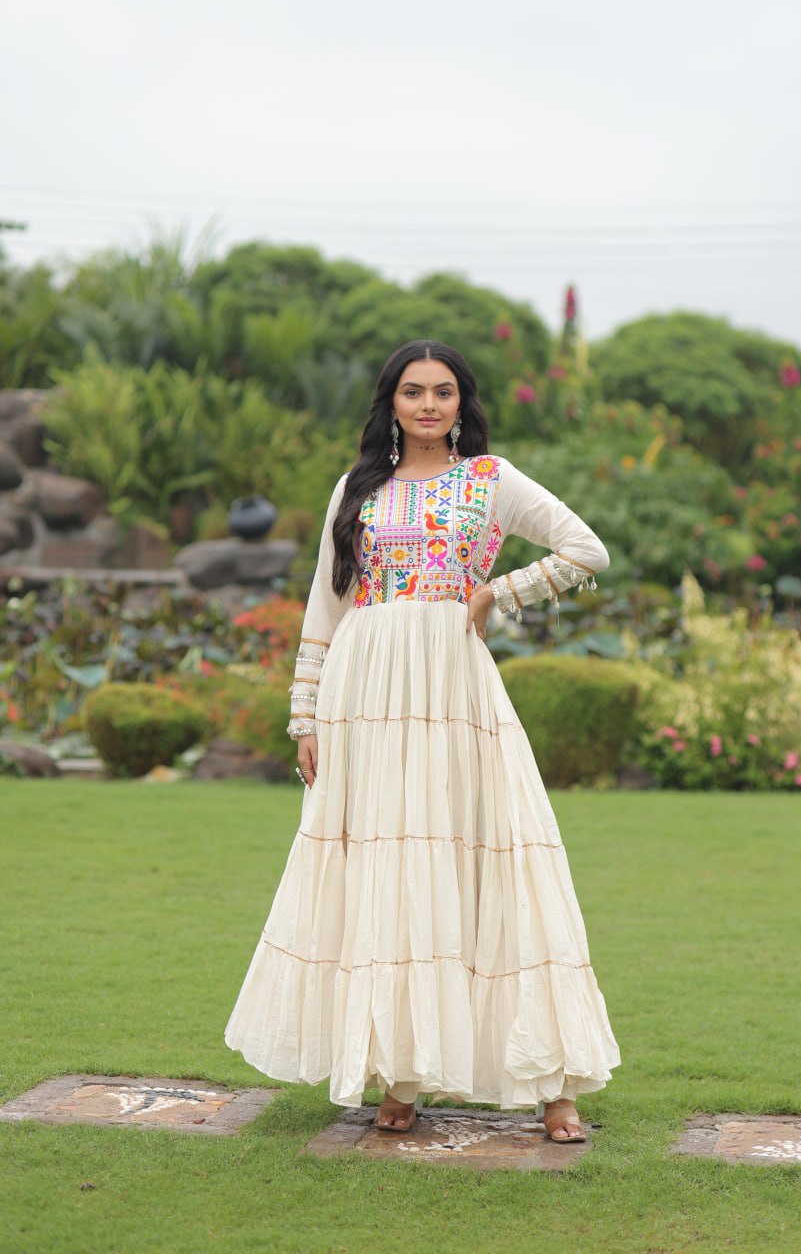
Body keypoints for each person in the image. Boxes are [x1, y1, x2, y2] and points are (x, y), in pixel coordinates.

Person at [225, 339, 620, 1142]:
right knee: (389, 869)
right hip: (364, 695)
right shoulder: (357, 488)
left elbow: (586, 548)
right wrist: (304, 718)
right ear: (391, 403)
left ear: (461, 402)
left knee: (496, 862)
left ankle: (555, 1087)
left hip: (452, 690)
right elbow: (325, 610)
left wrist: (496, 593)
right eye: (414, 391)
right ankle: (399, 1078)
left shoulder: (488, 479)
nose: (430, 404)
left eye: (444, 391)